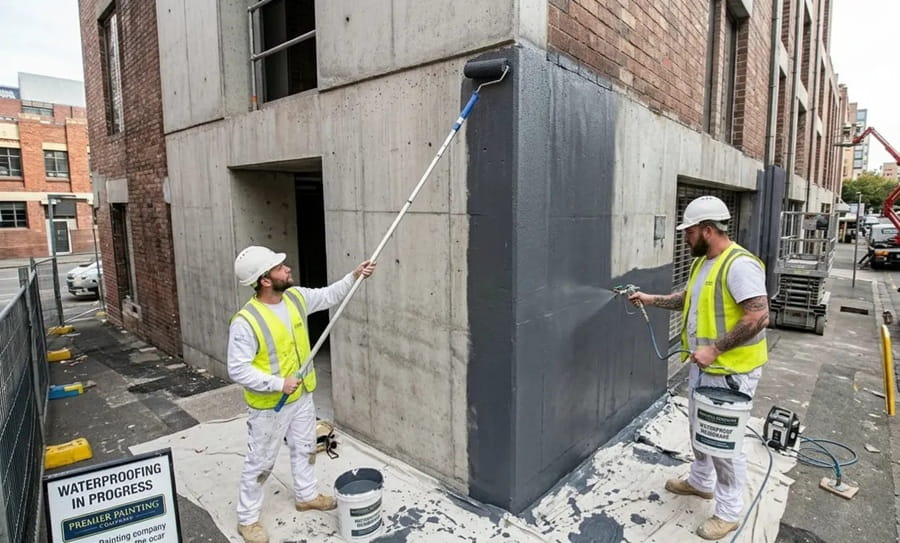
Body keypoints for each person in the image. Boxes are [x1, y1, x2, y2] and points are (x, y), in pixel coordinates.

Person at [629, 196, 769, 541]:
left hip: (731, 372)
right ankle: (701, 482)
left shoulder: (739, 265)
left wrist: (716, 348)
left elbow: (759, 315)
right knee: (699, 431)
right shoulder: (704, 262)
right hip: (706, 369)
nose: (685, 238)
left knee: (725, 444)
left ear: (708, 229)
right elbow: (686, 299)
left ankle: (728, 512)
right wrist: (650, 299)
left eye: (689, 231)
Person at [229, 245, 376, 543]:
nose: (287, 269)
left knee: (306, 447)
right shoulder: (247, 322)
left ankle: (306, 495)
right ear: (265, 280)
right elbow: (237, 369)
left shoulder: (294, 298)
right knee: (260, 463)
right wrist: (276, 383)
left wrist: (354, 276)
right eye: (280, 268)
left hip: (302, 396)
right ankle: (247, 520)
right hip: (270, 405)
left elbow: (328, 295)